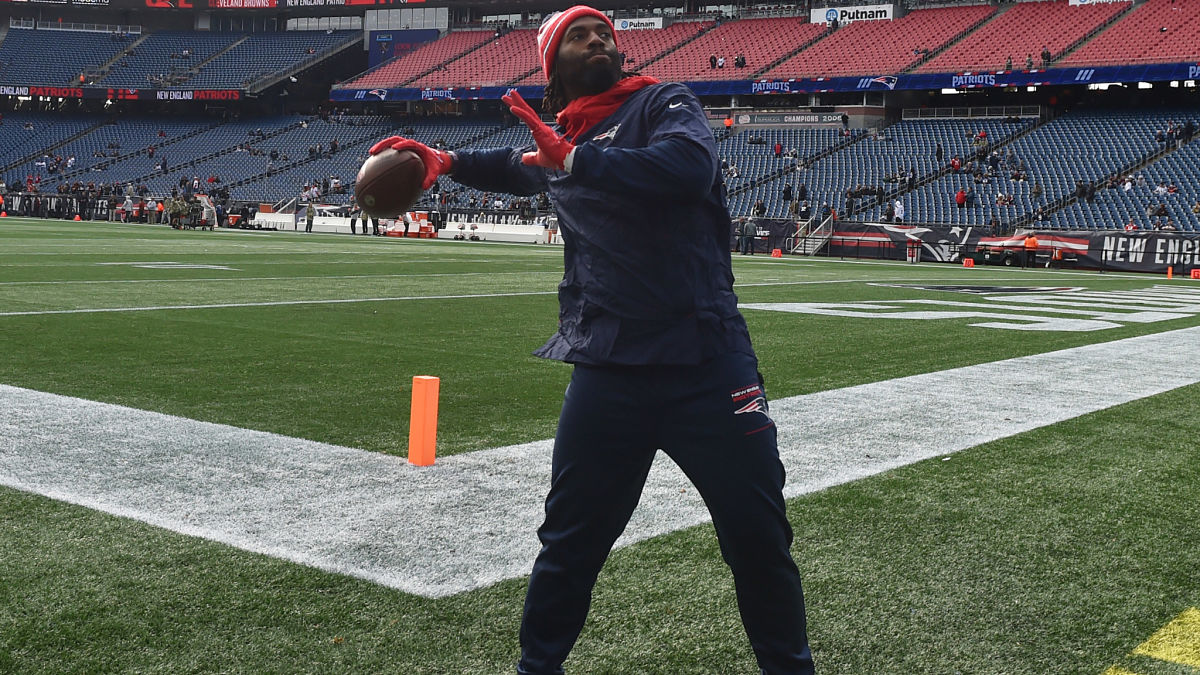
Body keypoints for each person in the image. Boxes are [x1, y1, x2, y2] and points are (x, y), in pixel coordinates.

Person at [364, 7, 814, 674]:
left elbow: (689, 167)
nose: (599, 39)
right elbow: (512, 166)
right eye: (580, 34)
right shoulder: (561, 137)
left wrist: (573, 158)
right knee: (568, 545)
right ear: (553, 66)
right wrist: (445, 160)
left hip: (707, 362)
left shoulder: (662, 103)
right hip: (608, 368)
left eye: (605, 32)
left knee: (758, 539)